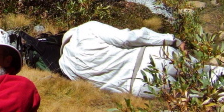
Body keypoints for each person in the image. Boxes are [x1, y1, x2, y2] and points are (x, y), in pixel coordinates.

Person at [57, 21, 188, 97]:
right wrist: (172, 40)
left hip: (140, 87)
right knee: (204, 75)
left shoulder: (66, 67)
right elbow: (127, 38)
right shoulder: (86, 29)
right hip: (155, 58)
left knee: (193, 97)